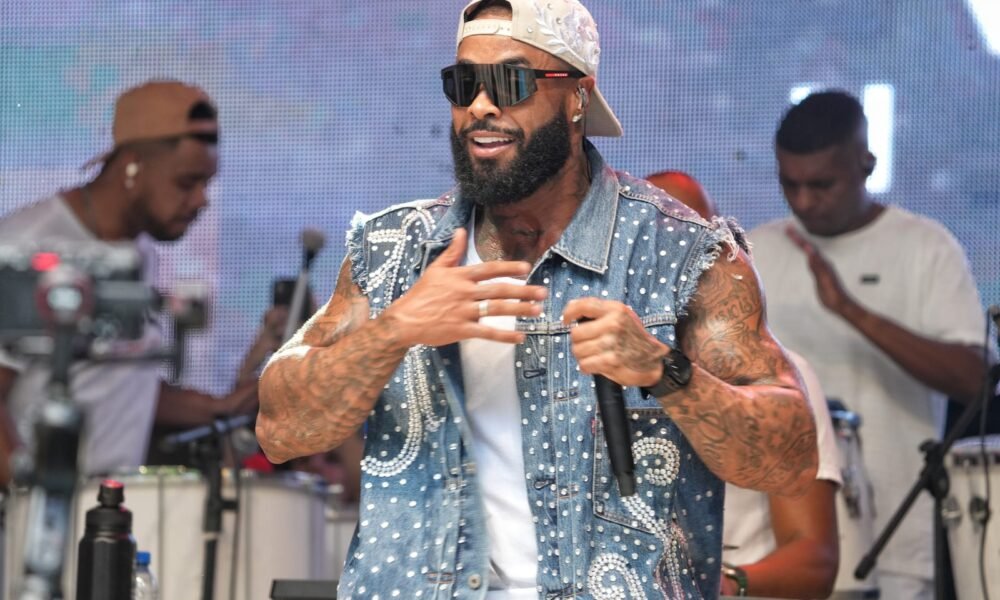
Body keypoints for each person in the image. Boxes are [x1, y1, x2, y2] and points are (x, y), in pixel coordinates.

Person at [258, 1, 818, 598]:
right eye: (464, 83)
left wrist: (664, 370)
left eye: (510, 82)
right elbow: (280, 430)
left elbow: (791, 461)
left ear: (577, 97)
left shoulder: (680, 252)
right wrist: (394, 330)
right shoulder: (394, 250)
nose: (480, 105)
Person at [748, 90, 988, 599]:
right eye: (790, 184)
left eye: (821, 185)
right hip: (781, 547)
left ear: (867, 164)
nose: (804, 201)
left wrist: (853, 312)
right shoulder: (755, 251)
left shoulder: (925, 247)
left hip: (896, 541)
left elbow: (977, 380)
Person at [0, 80, 258, 484]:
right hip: (40, 512)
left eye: (207, 184)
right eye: (186, 182)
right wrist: (31, 496)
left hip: (108, 506)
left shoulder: (137, 252)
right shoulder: (27, 247)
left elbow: (115, 382)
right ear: (133, 166)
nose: (201, 201)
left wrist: (219, 407)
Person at [649, 170, 841, 598]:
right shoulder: (590, 358)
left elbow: (815, 560)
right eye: (656, 237)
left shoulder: (782, 378)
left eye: (697, 241)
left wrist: (725, 582)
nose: (676, 256)